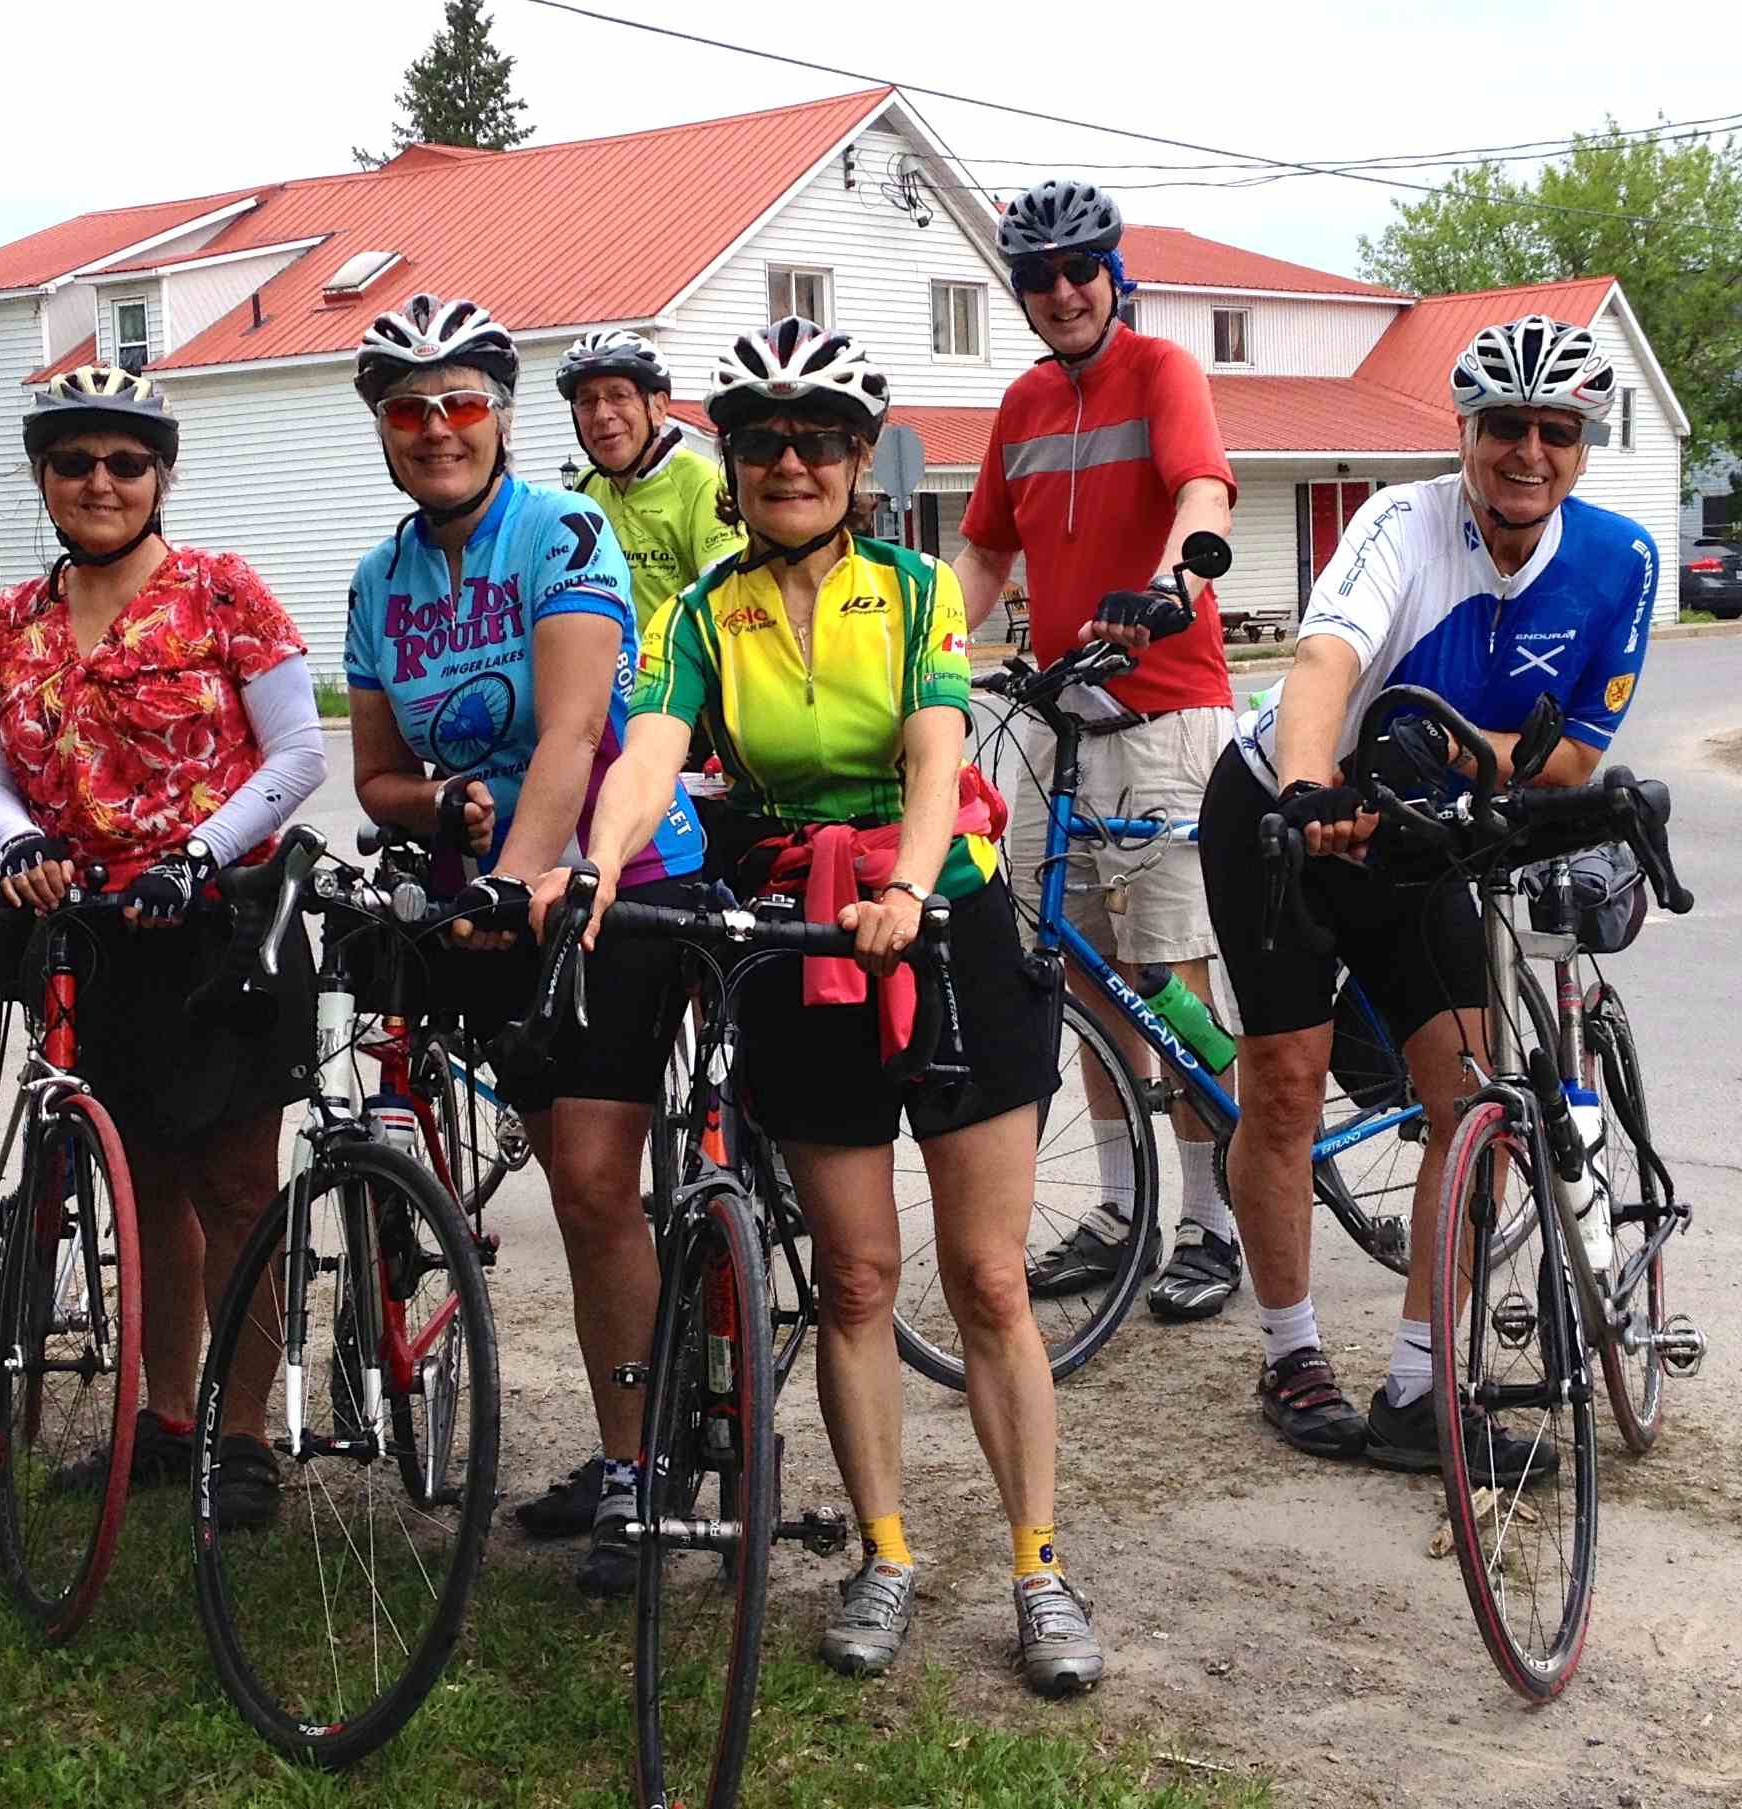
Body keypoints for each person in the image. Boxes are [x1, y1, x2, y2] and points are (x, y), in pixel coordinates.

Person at [550, 315, 1107, 1698]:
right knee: (855, 1276)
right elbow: (652, 752)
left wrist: (911, 890)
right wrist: (603, 859)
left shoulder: (914, 588)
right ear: (729, 465)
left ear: (860, 461)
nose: (788, 463)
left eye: (817, 442)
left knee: (984, 1277)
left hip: (943, 928)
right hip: (800, 930)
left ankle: (1039, 1566)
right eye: (760, 443)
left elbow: (933, 755)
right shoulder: (697, 613)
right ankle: (885, 1550)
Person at [1198, 314, 1655, 1475]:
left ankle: (1416, 1386)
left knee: (1470, 1096)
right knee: (1287, 1087)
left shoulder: (1620, 562)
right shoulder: (1400, 521)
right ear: (1467, 431)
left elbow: (1564, 766)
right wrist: (1308, 793)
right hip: (1280, 816)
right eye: (1505, 426)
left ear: (1581, 447)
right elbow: (1324, 666)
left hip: (1423, 838)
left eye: (1556, 431)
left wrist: (1446, 757)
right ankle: (1291, 1354)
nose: (1528, 453)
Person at [341, 293, 710, 1597]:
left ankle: (634, 1477)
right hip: (485, 895)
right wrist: (436, 811)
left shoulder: (564, 529)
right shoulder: (379, 583)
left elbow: (568, 734)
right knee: (553, 1167)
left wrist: (517, 879)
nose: (436, 430)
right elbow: (378, 773)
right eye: (408, 409)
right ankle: (635, 1413)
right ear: (383, 427)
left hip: (615, 873)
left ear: (496, 415)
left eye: (460, 406)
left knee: (596, 1181)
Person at [0, 364, 325, 1529]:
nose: (102, 482)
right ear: (44, 480)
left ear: (161, 474)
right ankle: (171, 1420)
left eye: (126, 462)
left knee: (232, 1188)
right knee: (145, 1192)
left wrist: (202, 853)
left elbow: (297, 757)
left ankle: (246, 1434)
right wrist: (20, 842)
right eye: (76, 463)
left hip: (221, 926)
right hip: (92, 934)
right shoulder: (12, 621)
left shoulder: (224, 594)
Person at [950, 179, 1249, 1324]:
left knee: (1170, 973)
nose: (1062, 291)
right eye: (1038, 277)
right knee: (1075, 973)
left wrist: (1180, 577)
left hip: (1165, 714)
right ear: (1019, 294)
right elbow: (982, 555)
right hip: (1057, 722)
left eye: (1081, 270)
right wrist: (922, 651)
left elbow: (1202, 487)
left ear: (1112, 274)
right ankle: (1124, 1212)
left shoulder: (1163, 370)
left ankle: (1216, 1221)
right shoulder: (1021, 405)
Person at [556, 328, 745, 630]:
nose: (602, 414)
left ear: (658, 408)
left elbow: (728, 607)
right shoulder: (585, 489)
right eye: (587, 401)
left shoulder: (702, 483)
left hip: (680, 670)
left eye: (619, 396)